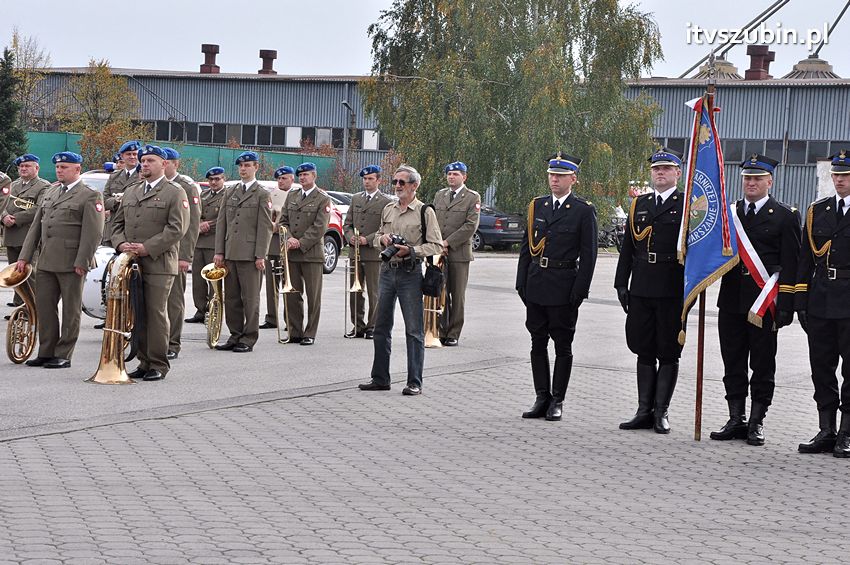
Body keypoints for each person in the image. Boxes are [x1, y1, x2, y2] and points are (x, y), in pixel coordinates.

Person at [711, 154, 801, 446]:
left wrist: (787, 305)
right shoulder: (730, 213)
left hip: (765, 302)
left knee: (763, 364)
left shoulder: (785, 216)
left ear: (769, 181)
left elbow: (791, 262)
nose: (751, 183)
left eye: (757, 178)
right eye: (747, 178)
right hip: (731, 301)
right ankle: (735, 418)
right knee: (732, 361)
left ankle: (757, 421)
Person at [515, 152, 597, 421]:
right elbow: (527, 248)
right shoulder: (537, 206)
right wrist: (521, 282)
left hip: (563, 285)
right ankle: (542, 397)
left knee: (562, 345)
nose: (554, 180)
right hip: (537, 282)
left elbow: (589, 255)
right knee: (537, 342)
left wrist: (580, 291)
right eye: (552, 175)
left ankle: (557, 399)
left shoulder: (583, 210)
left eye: (560, 176)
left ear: (573, 179)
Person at [614, 148, 685, 434]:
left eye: (667, 169)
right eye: (656, 169)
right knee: (643, 348)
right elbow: (629, 247)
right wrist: (621, 283)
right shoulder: (638, 204)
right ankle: (644, 410)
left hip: (671, 287)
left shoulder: (689, 206)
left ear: (678, 173)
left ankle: (661, 412)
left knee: (668, 350)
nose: (660, 173)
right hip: (642, 284)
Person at [358, 165, 443, 395]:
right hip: (386, 271)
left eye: (402, 182)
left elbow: (436, 245)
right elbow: (376, 236)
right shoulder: (388, 209)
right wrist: (382, 238)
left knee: (414, 330)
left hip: (409, 273)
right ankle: (380, 378)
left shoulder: (425, 211)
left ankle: (415, 381)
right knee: (381, 327)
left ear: (414, 186)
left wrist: (411, 250)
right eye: (395, 182)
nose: (397, 186)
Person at [17, 152, 104, 369]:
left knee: (70, 310)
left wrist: (82, 261)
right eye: (57, 167)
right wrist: (24, 257)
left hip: (72, 261)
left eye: (64, 167)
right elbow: (36, 226)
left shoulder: (89, 195)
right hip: (46, 260)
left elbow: (93, 233)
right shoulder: (51, 191)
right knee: (44, 307)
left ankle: (64, 353)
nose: (59, 170)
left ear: (77, 169)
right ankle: (46, 351)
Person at [111, 145, 188, 381]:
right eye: (143, 161)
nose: (144, 164)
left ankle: (158, 363)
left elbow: (177, 228)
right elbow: (116, 224)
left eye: (150, 161)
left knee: (155, 314)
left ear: (164, 164)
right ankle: (143, 361)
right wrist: (121, 243)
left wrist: (148, 247)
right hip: (131, 263)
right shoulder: (132, 190)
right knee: (138, 313)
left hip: (158, 263)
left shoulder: (175, 192)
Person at [796, 149, 850, 457]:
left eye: (845, 176)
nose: (840, 180)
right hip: (821, 299)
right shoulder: (819, 211)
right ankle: (826, 429)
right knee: (822, 368)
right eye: (836, 175)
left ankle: (846, 433)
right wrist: (801, 300)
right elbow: (805, 258)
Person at [213, 151, 273, 352]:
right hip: (230, 253)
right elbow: (222, 223)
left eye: (247, 165)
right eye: (241, 166)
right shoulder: (230, 191)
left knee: (250, 299)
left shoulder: (262, 194)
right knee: (231, 298)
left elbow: (265, 227)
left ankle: (248, 337)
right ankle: (235, 334)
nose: (243, 169)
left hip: (249, 255)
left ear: (256, 167)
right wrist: (219, 251)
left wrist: (260, 255)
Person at [280, 162, 331, 346]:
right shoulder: (292, 195)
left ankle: (310, 332)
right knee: (292, 294)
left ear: (314, 176)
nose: (302, 178)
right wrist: (289, 237)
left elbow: (320, 227)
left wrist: (300, 242)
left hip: (311, 253)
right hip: (291, 253)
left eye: (306, 175)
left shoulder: (322, 198)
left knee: (313, 295)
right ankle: (295, 331)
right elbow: (283, 221)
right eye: (300, 175)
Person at [433, 161, 481, 346]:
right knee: (440, 291)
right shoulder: (440, 195)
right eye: (449, 174)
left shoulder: (471, 197)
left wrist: (448, 242)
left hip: (459, 254)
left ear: (464, 177)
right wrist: (437, 242)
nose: (451, 177)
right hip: (439, 252)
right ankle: (441, 330)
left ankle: (453, 332)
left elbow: (470, 226)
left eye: (455, 174)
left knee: (457, 294)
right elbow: (434, 221)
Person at [343, 165, 392, 339]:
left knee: (374, 292)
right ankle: (358, 325)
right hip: (355, 252)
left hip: (373, 253)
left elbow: (386, 227)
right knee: (355, 291)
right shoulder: (356, 198)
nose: (367, 182)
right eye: (365, 179)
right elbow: (347, 224)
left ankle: (373, 326)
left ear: (379, 180)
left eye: (371, 178)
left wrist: (368, 239)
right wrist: (350, 237)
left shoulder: (386, 201)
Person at [162, 147, 201, 360]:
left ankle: (172, 342)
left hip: (177, 254)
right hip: (157, 253)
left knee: (174, 300)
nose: (164, 165)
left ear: (176, 164)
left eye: (167, 162)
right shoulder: (157, 187)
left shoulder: (186, 187)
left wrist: (185, 256)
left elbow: (192, 225)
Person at [1, 154, 51, 317]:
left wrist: (16, 219)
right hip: (11, 235)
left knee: (30, 273)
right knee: (15, 273)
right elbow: (2, 204)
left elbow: (39, 208)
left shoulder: (43, 186)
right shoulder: (12, 185)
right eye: (21, 167)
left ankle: (32, 308)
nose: (23, 169)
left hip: (29, 235)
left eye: (27, 166)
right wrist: (3, 217)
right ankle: (19, 307)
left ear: (36, 168)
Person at [186, 167, 226, 323]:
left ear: (224, 179)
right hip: (200, 240)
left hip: (215, 242)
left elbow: (225, 218)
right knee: (198, 278)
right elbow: (195, 214)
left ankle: (214, 310)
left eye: (217, 179)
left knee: (214, 279)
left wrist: (208, 225)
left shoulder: (227, 195)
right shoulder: (204, 194)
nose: (214, 182)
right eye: (211, 180)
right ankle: (200, 310)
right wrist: (199, 224)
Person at [260, 165, 297, 329]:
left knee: (288, 283)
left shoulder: (296, 195)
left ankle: (290, 319)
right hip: (272, 242)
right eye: (279, 178)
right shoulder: (271, 195)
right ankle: (271, 317)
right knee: (271, 283)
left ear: (292, 179)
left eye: (284, 178)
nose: (281, 181)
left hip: (288, 242)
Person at [103, 140, 141, 242]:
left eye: (135, 154)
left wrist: (126, 198)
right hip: (111, 229)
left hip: (132, 230)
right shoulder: (114, 177)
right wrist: (118, 200)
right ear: (122, 156)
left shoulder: (143, 177)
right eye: (129, 154)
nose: (132, 157)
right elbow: (104, 201)